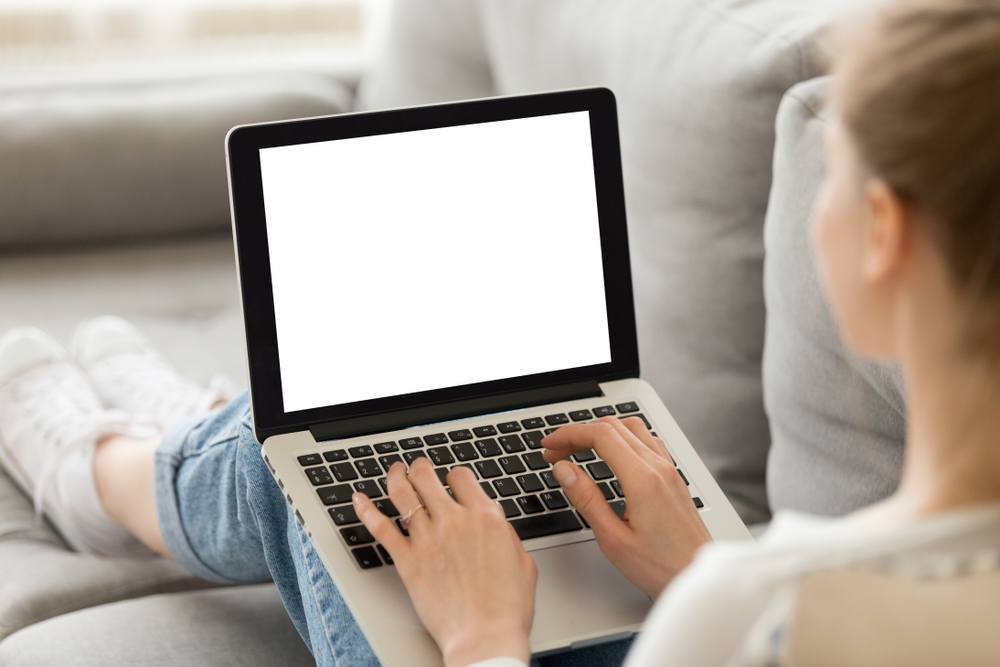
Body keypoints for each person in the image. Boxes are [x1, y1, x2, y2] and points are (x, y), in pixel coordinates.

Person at [2, 0, 999, 663]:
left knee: (309, 454)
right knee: (344, 448)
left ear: (881, 236)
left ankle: (109, 473)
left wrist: (482, 634)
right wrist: (694, 563)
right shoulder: (768, 596)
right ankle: (169, 444)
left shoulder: (765, 610)